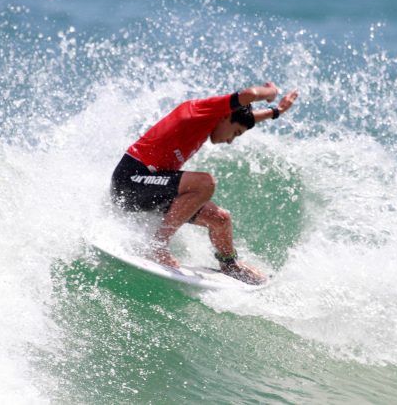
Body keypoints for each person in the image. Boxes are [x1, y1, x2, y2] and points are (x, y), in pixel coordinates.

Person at [110, 82, 298, 285]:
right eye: (235, 133)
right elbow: (250, 94)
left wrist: (276, 111)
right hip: (130, 180)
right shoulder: (201, 110)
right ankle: (157, 245)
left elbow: (246, 118)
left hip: (153, 187)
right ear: (226, 116)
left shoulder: (213, 122)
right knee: (205, 183)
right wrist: (271, 93)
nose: (230, 141)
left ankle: (229, 265)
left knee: (220, 219)